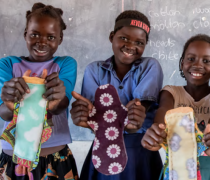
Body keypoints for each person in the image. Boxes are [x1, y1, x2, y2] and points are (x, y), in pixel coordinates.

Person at [70, 10, 164, 180]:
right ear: (112, 36)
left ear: (145, 45)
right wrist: (84, 114)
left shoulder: (150, 66)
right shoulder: (94, 70)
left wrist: (103, 115)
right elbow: (93, 116)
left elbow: (136, 116)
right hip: (103, 147)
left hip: (140, 150)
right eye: (124, 38)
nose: (130, 46)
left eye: (139, 42)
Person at [0, 3, 78, 179]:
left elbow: (61, 106)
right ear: (25, 35)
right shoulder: (7, 65)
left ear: (60, 39)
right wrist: (8, 103)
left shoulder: (65, 64)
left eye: (51, 37)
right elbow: (3, 113)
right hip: (14, 156)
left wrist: (56, 98)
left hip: (56, 156)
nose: (42, 42)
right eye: (34, 34)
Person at [141, 34, 210, 180]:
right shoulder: (170, 92)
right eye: (191, 59)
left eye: (206, 61)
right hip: (174, 169)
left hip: (207, 171)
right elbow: (162, 118)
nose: (197, 64)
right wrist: (155, 134)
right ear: (182, 63)